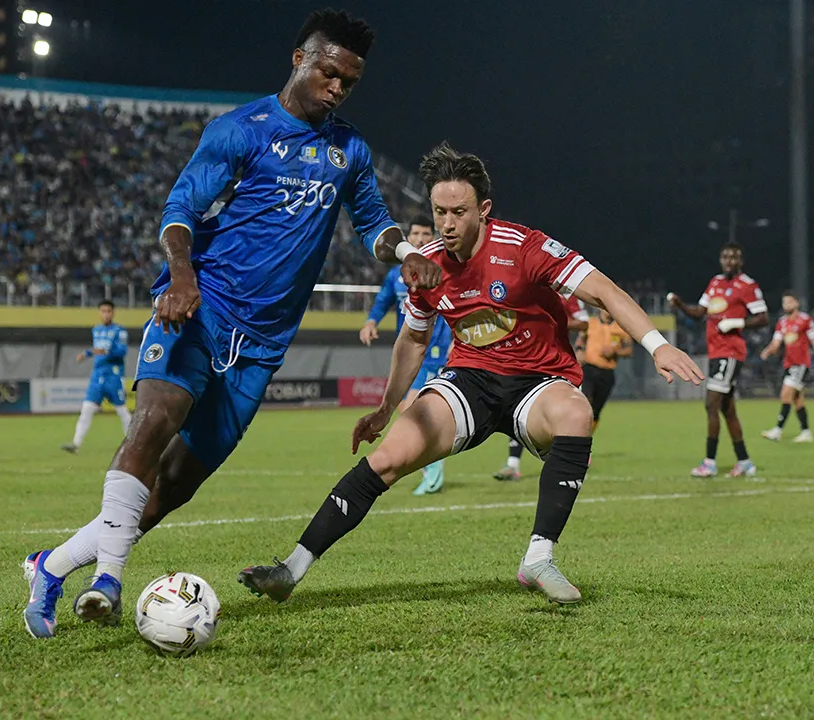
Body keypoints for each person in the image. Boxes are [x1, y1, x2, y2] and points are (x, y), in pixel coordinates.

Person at [20, 9, 442, 639]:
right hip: (200, 304)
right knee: (153, 421)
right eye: (330, 73)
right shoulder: (240, 130)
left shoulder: (348, 149)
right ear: (300, 59)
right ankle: (107, 579)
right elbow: (181, 207)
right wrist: (182, 274)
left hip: (263, 343)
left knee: (178, 485)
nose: (337, 88)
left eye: (348, 82)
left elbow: (375, 222)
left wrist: (409, 255)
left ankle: (50, 567)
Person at [237, 142, 702, 605]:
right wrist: (383, 408)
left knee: (575, 414)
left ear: (483, 209)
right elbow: (414, 339)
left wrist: (657, 345)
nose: (447, 223)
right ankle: (290, 570)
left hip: (537, 381)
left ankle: (538, 559)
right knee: (390, 458)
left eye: (458, 211)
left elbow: (603, 291)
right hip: (470, 380)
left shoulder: (524, 248)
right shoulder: (427, 266)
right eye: (439, 211)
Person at [359, 217, 455, 495]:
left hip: (435, 349)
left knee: (412, 407)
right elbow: (382, 300)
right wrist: (371, 322)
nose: (421, 238)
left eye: (426, 233)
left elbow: (452, 308)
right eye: (416, 233)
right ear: (408, 238)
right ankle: (432, 462)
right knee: (409, 408)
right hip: (410, 350)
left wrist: (454, 340)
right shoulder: (397, 274)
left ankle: (432, 464)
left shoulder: (440, 268)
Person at [666, 244, 769, 477]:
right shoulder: (715, 283)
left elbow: (763, 317)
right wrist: (680, 304)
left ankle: (709, 463)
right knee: (727, 409)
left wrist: (737, 323)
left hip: (730, 352)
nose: (729, 261)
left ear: (741, 261)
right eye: (726, 257)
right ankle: (744, 462)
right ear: (721, 259)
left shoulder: (747, 285)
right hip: (716, 352)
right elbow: (699, 313)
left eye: (734, 257)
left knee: (711, 404)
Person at [493, 296, 589, 481]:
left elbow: (584, 324)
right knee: (517, 414)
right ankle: (513, 465)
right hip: (527, 363)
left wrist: (550, 320)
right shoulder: (524, 288)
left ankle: (568, 461)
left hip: (558, 365)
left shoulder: (568, 295)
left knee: (565, 417)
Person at [758, 292, 814, 443]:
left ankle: (777, 431)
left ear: (797, 303)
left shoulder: (806, 320)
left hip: (801, 364)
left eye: (790, 302)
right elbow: (776, 344)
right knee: (797, 400)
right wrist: (768, 351)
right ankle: (806, 432)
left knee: (785, 395)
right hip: (788, 364)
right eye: (784, 302)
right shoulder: (782, 322)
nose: (786, 305)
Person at [62, 300, 132, 453]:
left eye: (108, 311)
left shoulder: (120, 331)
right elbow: (96, 349)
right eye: (103, 311)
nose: (105, 314)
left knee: (122, 410)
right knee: (86, 409)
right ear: (99, 312)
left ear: (113, 313)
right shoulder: (97, 330)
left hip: (113, 375)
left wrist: (106, 352)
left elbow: (122, 352)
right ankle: (75, 444)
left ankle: (133, 444)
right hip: (97, 376)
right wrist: (85, 354)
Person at [581, 307, 633, 432]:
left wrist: (615, 351)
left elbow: (629, 351)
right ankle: (576, 436)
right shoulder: (591, 323)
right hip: (588, 369)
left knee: (596, 409)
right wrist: (579, 351)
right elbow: (581, 340)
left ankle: (587, 437)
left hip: (607, 373)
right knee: (584, 403)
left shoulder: (620, 327)